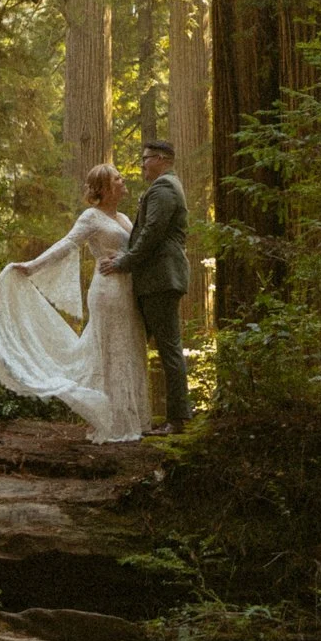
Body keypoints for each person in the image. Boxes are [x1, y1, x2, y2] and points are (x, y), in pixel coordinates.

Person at [0, 162, 150, 443]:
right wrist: (32, 266)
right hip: (107, 290)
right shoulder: (91, 216)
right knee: (110, 350)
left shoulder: (125, 218)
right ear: (104, 188)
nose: (123, 181)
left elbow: (138, 249)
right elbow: (67, 244)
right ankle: (111, 421)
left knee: (128, 346)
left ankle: (131, 419)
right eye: (117, 178)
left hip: (128, 290)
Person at [99, 139, 192, 433]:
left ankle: (177, 420)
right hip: (157, 278)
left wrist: (124, 262)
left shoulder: (164, 188)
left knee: (168, 347)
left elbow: (152, 233)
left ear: (161, 158)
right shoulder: (166, 186)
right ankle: (133, 414)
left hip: (161, 278)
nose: (142, 165)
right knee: (149, 344)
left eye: (146, 158)